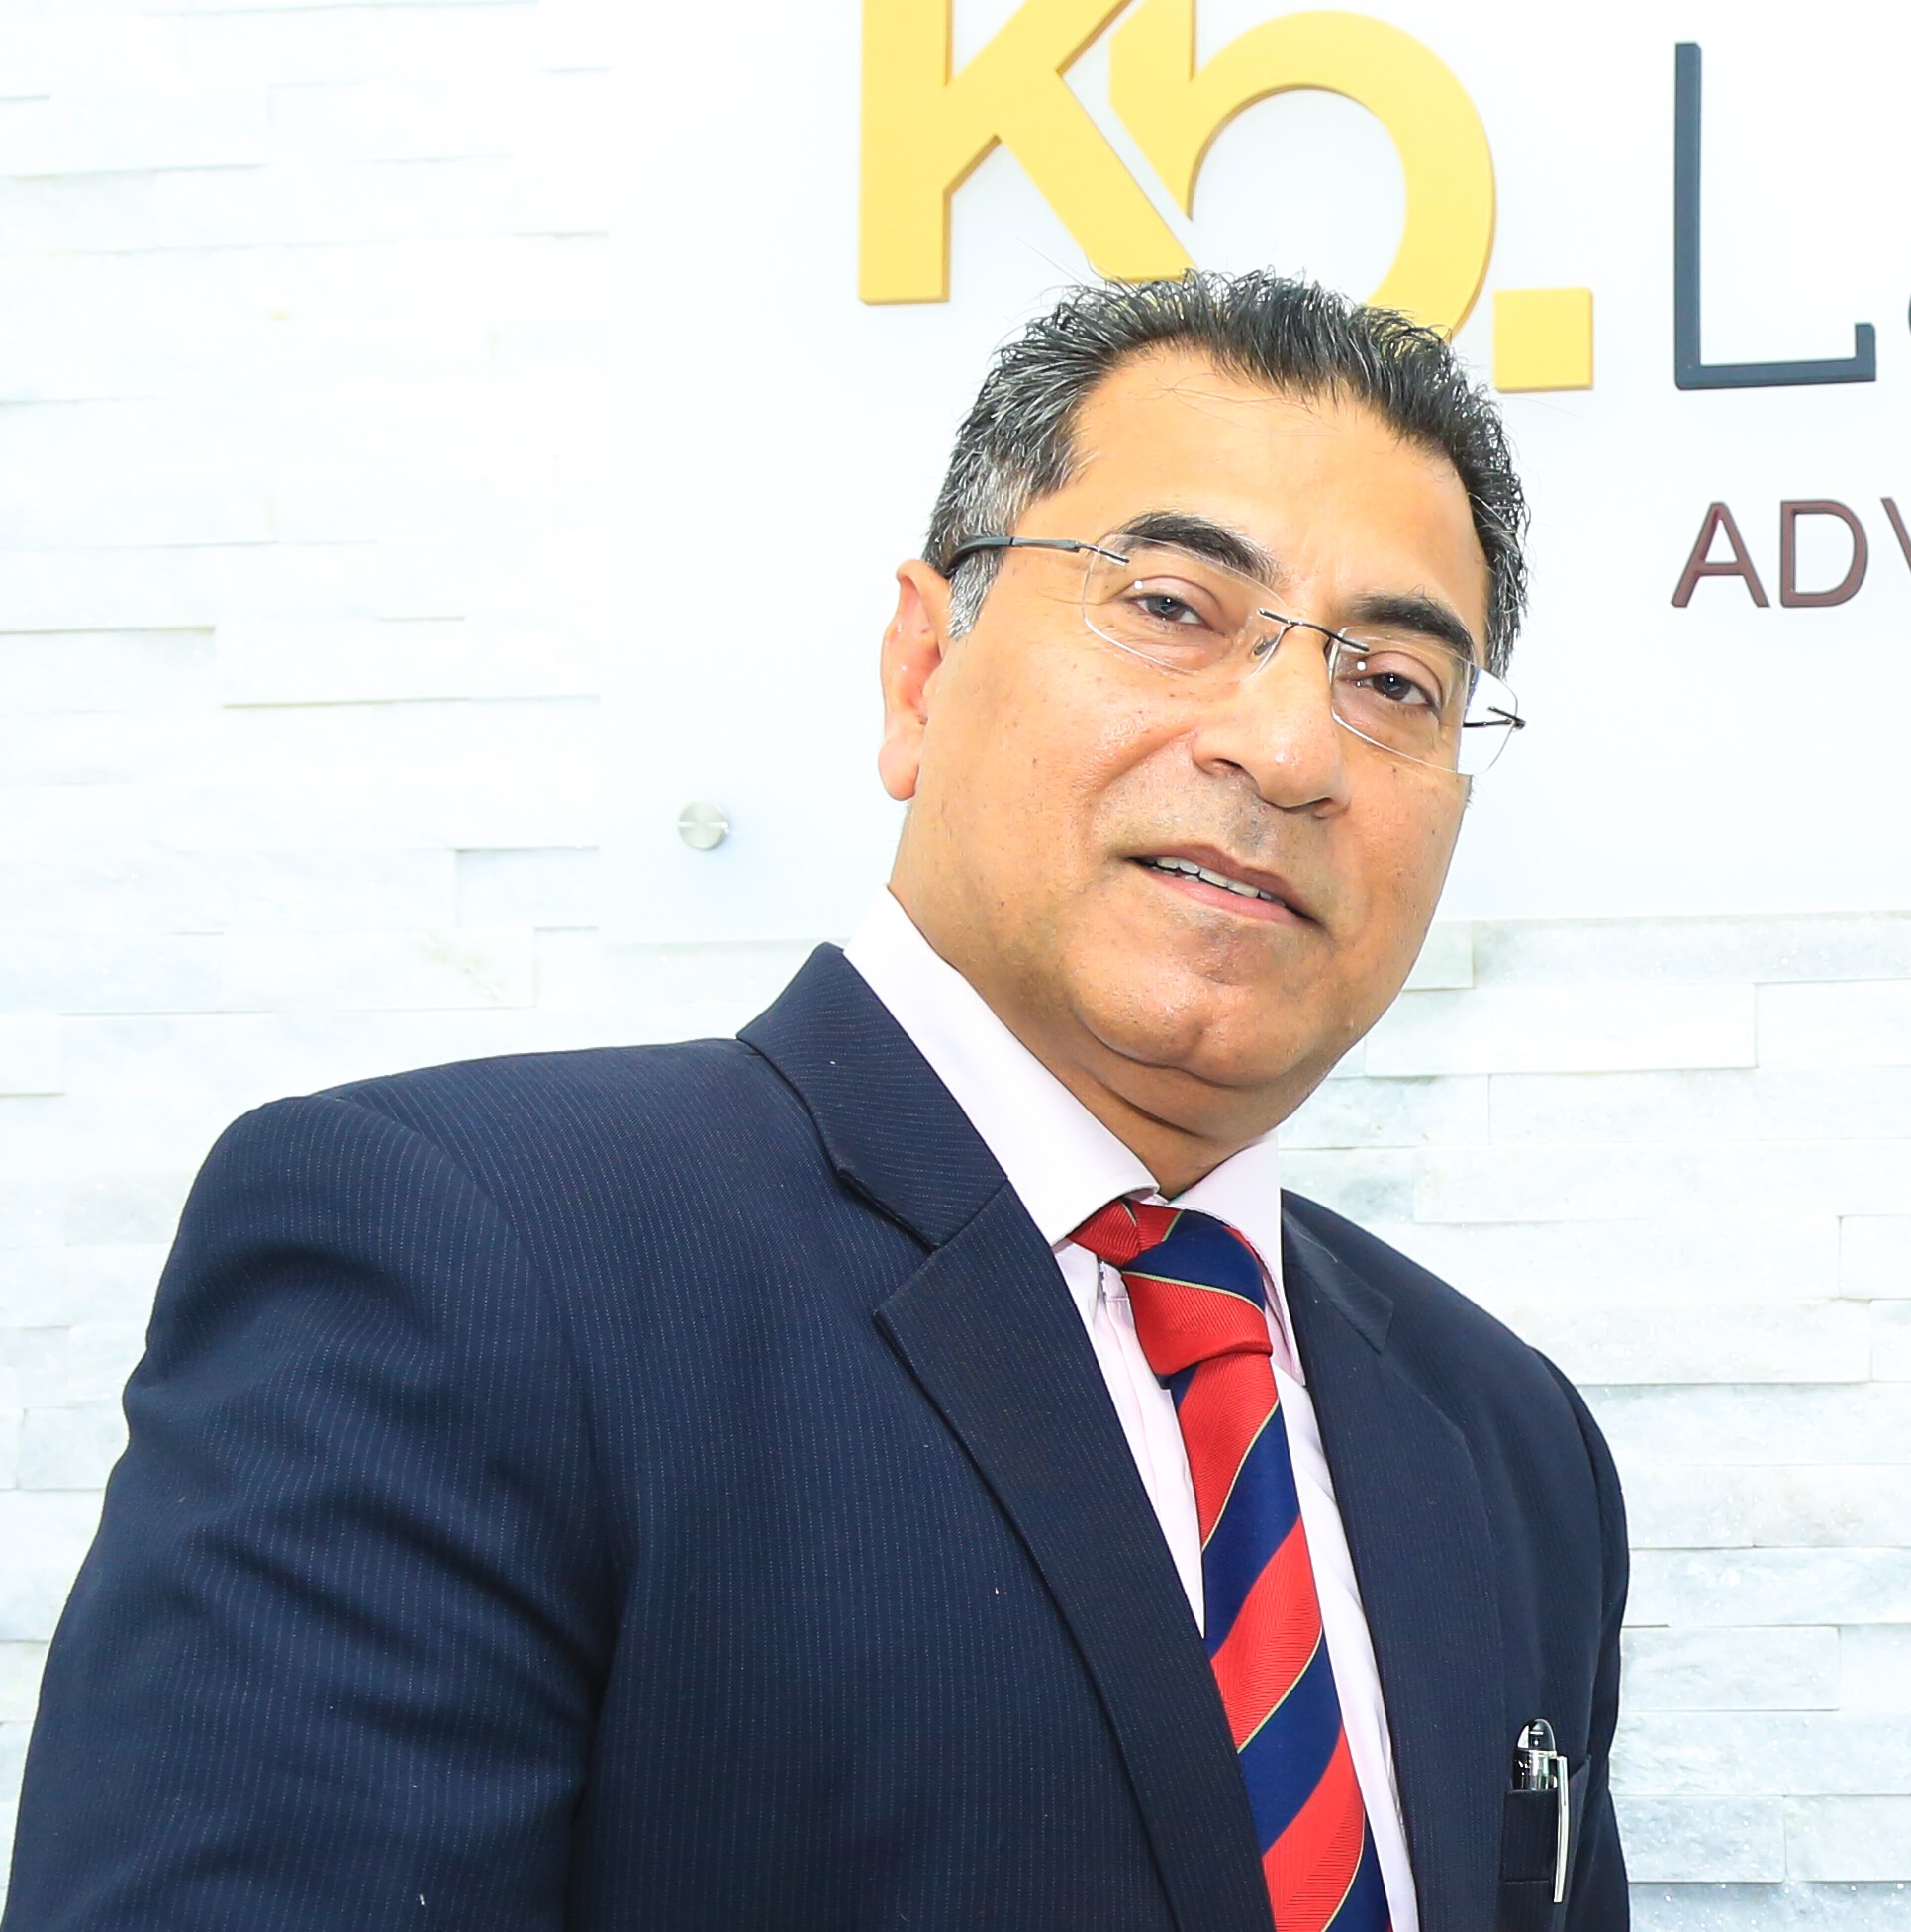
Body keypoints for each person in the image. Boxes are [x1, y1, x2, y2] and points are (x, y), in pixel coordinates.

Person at [4, 272, 1627, 1932]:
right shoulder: (462, 1264)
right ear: (922, 671)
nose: (1289, 748)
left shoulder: (1510, 1442)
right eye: (1172, 605)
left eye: (1396, 683)